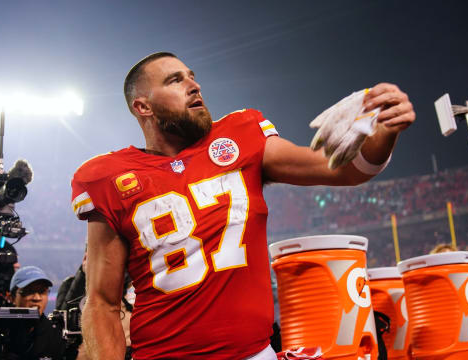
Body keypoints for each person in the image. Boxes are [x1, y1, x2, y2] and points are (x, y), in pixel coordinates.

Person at [71, 52, 415, 359]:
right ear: (142, 106)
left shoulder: (239, 136)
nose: (194, 85)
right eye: (175, 80)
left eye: (191, 76)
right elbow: (102, 302)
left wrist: (384, 130)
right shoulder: (109, 177)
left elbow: (342, 168)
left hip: (253, 352)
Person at [6, 265, 66, 360]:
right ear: (12, 298)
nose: (37, 298)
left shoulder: (56, 336)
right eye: (29, 291)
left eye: (42, 291)